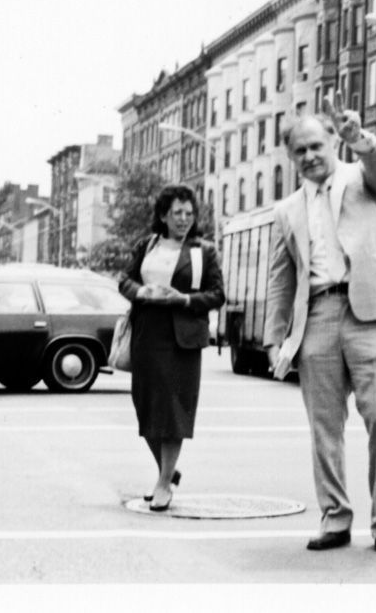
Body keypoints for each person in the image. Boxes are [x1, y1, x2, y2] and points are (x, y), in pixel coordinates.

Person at [263, 98, 376, 554]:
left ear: (332, 141)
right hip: (317, 316)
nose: (311, 155)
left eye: (318, 145)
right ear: (291, 157)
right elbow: (282, 275)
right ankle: (334, 517)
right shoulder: (287, 209)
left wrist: (360, 139)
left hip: (374, 312)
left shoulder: (362, 178)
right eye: (301, 151)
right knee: (324, 426)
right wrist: (275, 338)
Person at [119, 185, 224, 511]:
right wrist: (142, 292)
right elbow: (124, 280)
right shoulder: (146, 245)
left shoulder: (203, 251)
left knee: (174, 412)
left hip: (183, 339)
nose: (183, 219)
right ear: (163, 215)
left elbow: (217, 294)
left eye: (189, 214)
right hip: (147, 335)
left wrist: (185, 299)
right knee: (148, 409)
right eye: (177, 213)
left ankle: (164, 483)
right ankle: (167, 470)